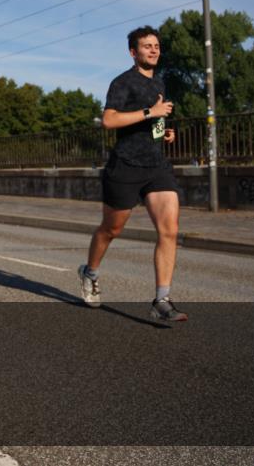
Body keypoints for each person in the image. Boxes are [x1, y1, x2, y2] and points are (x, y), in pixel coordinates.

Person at [78, 25, 187, 321]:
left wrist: (164, 131)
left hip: (157, 167)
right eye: (147, 46)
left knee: (170, 230)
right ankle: (90, 272)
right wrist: (150, 113)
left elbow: (153, 119)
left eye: (156, 46)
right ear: (133, 52)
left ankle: (162, 300)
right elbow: (109, 120)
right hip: (125, 165)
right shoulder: (122, 82)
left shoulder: (160, 82)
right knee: (111, 229)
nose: (153, 50)